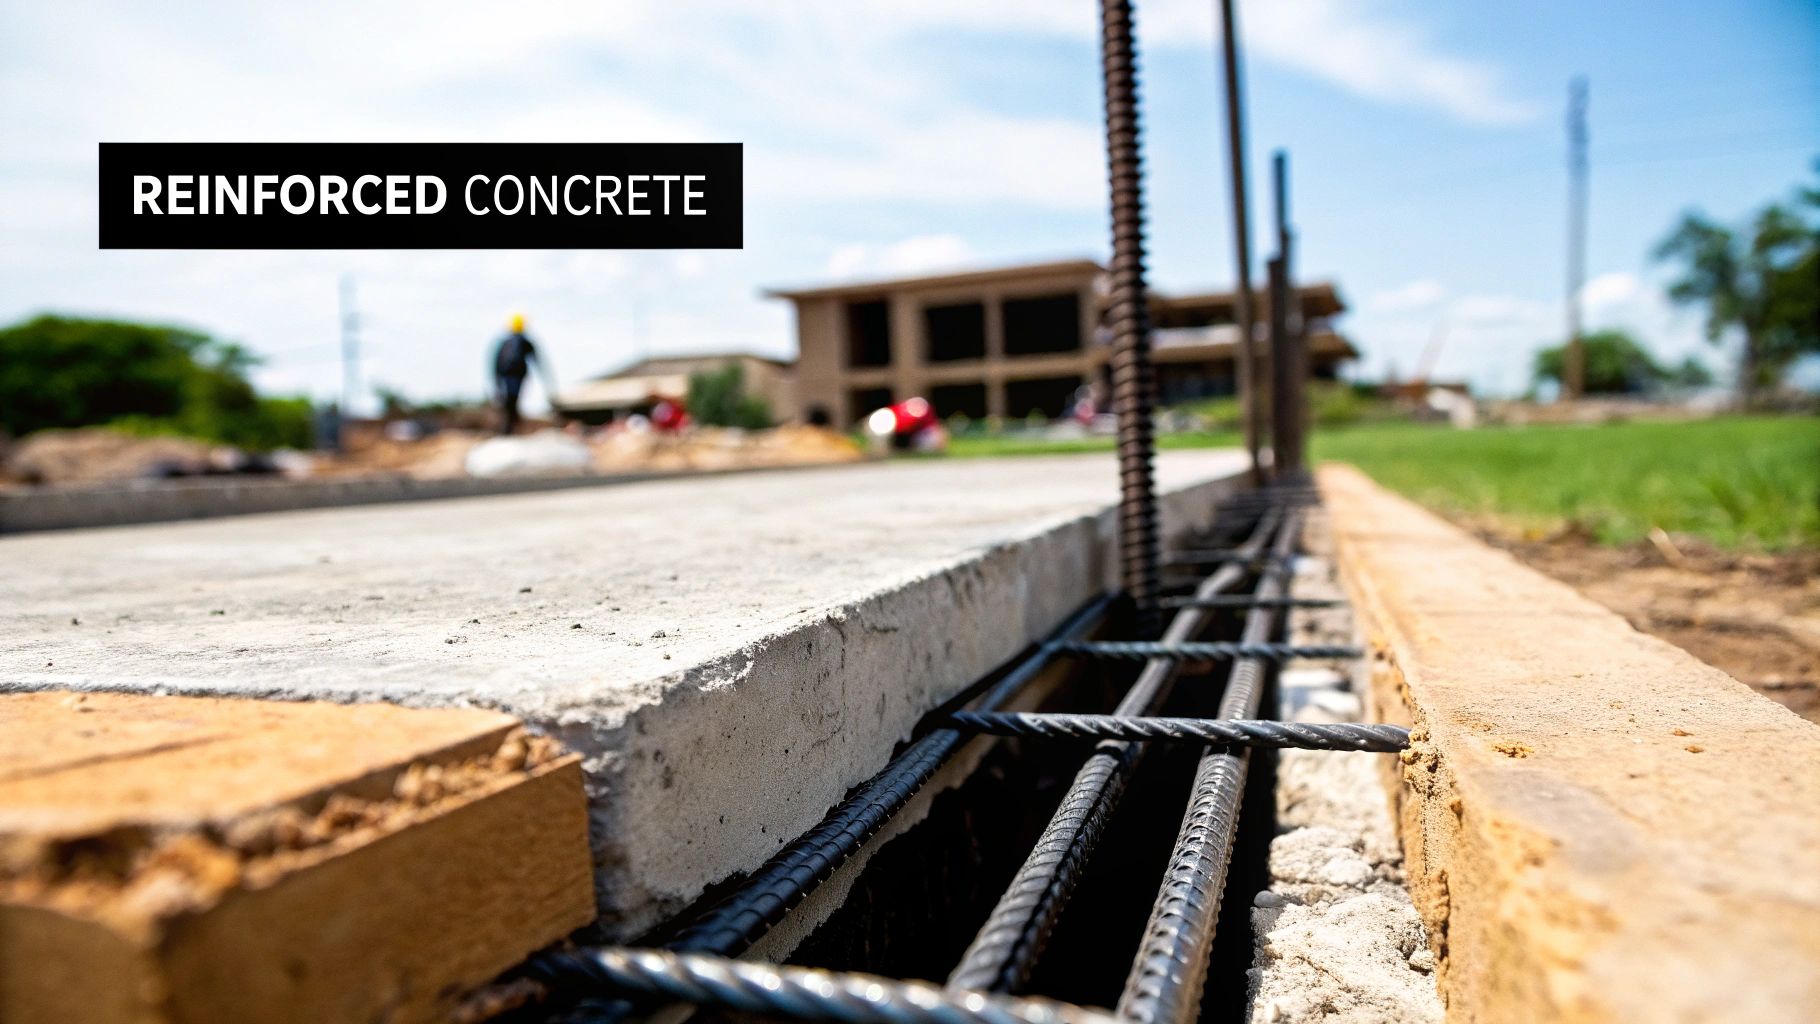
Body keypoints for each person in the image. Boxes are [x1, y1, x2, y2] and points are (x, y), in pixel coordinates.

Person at [491, 313, 540, 435]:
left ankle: (508, 428)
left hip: (507, 377)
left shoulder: (505, 342)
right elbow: (536, 360)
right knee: (513, 401)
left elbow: (496, 363)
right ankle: (510, 427)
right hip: (517, 376)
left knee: (509, 401)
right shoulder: (524, 342)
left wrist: (496, 380)